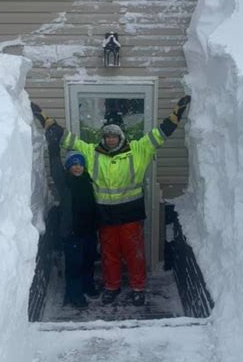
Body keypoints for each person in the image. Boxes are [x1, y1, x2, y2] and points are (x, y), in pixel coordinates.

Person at [31, 95, 191, 306]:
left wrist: (176, 114)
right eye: (107, 136)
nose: (111, 139)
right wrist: (46, 120)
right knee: (109, 254)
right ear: (103, 138)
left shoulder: (138, 149)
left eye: (114, 136)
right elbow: (69, 139)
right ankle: (112, 286)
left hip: (131, 215)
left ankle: (138, 288)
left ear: (121, 136)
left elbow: (160, 134)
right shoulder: (92, 153)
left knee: (134, 254)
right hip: (105, 216)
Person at [32, 103, 99, 308]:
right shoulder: (65, 182)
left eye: (80, 164)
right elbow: (55, 167)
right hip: (72, 232)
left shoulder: (89, 180)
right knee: (74, 265)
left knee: (89, 261)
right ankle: (74, 294)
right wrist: (53, 146)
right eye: (73, 164)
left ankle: (87, 286)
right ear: (69, 167)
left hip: (89, 230)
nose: (77, 167)